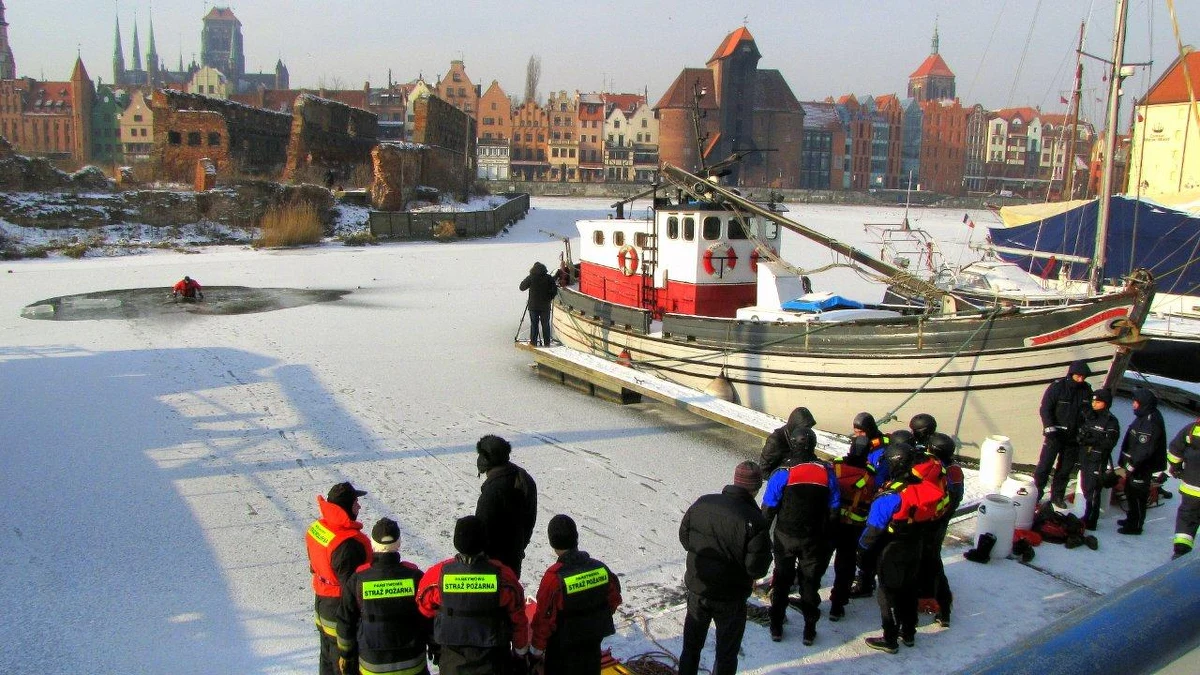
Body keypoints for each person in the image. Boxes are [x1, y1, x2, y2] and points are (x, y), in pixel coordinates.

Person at [678, 461, 772, 675]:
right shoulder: (755, 521)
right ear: (756, 488)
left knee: (691, 648)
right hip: (731, 599)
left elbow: (685, 539)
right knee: (726, 654)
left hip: (698, 589)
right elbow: (756, 568)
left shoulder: (702, 503)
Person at [858, 443, 945, 654]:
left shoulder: (889, 497)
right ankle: (908, 632)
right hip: (916, 546)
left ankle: (890, 638)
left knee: (887, 594)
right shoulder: (926, 489)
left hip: (892, 549)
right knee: (909, 590)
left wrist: (861, 552)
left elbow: (872, 532)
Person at [417, 515, 530, 675]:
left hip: (452, 663)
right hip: (494, 662)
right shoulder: (504, 578)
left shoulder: (436, 577)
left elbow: (424, 610)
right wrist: (520, 653)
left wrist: (434, 644)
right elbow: (518, 620)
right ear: (484, 541)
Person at [760, 427, 838, 645]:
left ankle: (776, 625)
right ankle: (809, 630)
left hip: (785, 536)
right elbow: (834, 507)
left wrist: (759, 534)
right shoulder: (827, 471)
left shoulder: (783, 472)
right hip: (814, 538)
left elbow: (769, 508)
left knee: (782, 579)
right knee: (810, 583)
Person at [529, 514, 622, 675]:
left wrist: (534, 653)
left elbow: (544, 621)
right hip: (591, 649)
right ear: (576, 537)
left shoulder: (554, 579)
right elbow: (614, 600)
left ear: (552, 542)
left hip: (562, 655)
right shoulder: (600, 569)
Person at [337, 518, 431, 675]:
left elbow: (345, 620)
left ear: (373, 545)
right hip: (412, 663)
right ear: (399, 543)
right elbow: (429, 617)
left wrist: (346, 655)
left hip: (372, 664)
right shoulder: (415, 577)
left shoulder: (358, 580)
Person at [306, 482, 371, 675]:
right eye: (355, 502)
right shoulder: (348, 544)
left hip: (322, 605)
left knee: (326, 661)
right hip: (338, 613)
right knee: (343, 665)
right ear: (346, 507)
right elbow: (351, 591)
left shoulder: (319, 529)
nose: (359, 506)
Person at [916, 432, 963, 628]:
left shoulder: (936, 472)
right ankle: (939, 604)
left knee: (928, 561)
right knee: (933, 560)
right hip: (941, 522)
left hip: (930, 523)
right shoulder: (955, 471)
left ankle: (931, 600)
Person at [475, 434, 538, 579]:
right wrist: (519, 546)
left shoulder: (492, 491)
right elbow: (530, 519)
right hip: (515, 556)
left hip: (491, 565)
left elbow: (481, 530)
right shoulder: (524, 478)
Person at [827, 440, 877, 623]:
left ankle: (808, 597)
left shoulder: (836, 466)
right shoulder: (870, 475)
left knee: (817, 561)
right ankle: (837, 605)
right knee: (845, 567)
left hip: (831, 523)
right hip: (853, 527)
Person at [1035, 360, 1093, 507]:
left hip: (1073, 438)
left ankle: (1057, 496)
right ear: (1071, 374)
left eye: (1083, 377)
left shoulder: (1086, 391)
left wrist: (1084, 431)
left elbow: (1089, 413)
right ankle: (1036, 493)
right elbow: (1046, 409)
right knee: (1045, 466)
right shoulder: (1057, 388)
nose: (1081, 379)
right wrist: (1049, 428)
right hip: (1055, 435)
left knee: (1065, 469)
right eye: (1078, 376)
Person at [1117, 388, 1167, 535]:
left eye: (1135, 402)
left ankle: (1136, 525)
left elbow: (1145, 449)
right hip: (1135, 464)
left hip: (1141, 467)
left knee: (1137, 495)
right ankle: (1131, 518)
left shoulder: (1150, 422)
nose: (1133, 405)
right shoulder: (1144, 416)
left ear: (1143, 404)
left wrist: (1132, 465)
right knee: (1130, 492)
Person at [1077, 389, 1121, 531]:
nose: (1094, 404)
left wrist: (1092, 441)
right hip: (1086, 457)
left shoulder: (1111, 421)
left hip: (1098, 458)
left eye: (1098, 401)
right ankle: (1087, 514)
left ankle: (1092, 519)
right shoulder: (1090, 416)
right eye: (1093, 401)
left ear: (1106, 403)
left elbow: (1110, 442)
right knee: (1086, 487)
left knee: (1094, 490)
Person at [1167, 417, 1200, 558]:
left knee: (1187, 518)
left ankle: (1180, 553)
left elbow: (1174, 452)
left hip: (1191, 486)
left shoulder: (1192, 428)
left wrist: (1176, 468)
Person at [758, 406, 818, 475]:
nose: (808, 431)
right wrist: (779, 480)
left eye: (809, 428)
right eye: (806, 428)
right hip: (781, 479)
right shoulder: (776, 440)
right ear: (795, 425)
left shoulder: (805, 438)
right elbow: (763, 469)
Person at [519, 261, 558, 347]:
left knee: (534, 324)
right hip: (545, 306)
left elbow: (521, 287)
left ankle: (533, 342)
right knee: (545, 324)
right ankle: (547, 343)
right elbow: (555, 290)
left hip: (533, 306)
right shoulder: (549, 278)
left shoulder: (531, 277)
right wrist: (549, 297)